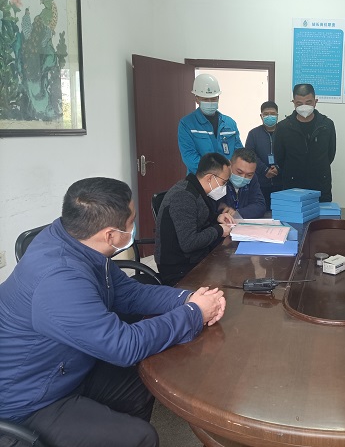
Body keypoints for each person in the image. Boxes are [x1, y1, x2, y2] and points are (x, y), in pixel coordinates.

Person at [0, 177, 226, 447]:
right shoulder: (59, 280)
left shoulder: (78, 241)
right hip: (30, 400)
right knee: (141, 437)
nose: (134, 227)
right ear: (110, 235)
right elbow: (124, 346)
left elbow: (130, 293)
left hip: (68, 364)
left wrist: (186, 299)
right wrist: (194, 314)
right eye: (131, 222)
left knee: (147, 376)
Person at [155, 152, 235, 286]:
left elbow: (197, 218)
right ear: (210, 178)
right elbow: (189, 242)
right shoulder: (183, 196)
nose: (225, 187)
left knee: (231, 265)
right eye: (224, 182)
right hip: (180, 268)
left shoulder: (196, 190)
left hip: (195, 258)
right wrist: (219, 230)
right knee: (228, 277)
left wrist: (217, 217)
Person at [273, 83, 336, 202]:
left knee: (321, 214)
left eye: (308, 102)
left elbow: (330, 154)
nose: (304, 106)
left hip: (321, 185)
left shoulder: (327, 125)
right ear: (293, 103)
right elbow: (279, 157)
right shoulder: (283, 127)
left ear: (315, 102)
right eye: (299, 103)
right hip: (292, 185)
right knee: (293, 213)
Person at [178, 73, 243, 174]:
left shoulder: (230, 123)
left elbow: (239, 152)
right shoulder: (187, 124)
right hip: (200, 178)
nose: (210, 102)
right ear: (197, 99)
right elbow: (189, 156)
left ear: (218, 98)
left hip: (228, 178)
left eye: (213, 99)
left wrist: (233, 171)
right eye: (205, 99)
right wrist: (214, 173)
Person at [245, 101, 283, 209]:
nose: (269, 116)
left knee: (281, 211)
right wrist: (265, 170)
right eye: (266, 114)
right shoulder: (253, 134)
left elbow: (290, 153)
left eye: (273, 114)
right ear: (261, 116)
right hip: (260, 182)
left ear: (277, 115)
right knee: (261, 211)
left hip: (282, 183)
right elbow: (250, 155)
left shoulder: (285, 132)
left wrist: (278, 168)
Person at [218, 148, 267, 219]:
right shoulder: (218, 177)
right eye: (239, 172)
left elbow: (260, 206)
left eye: (249, 175)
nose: (243, 177)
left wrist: (238, 213)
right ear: (229, 165)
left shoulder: (253, 179)